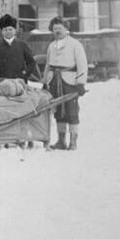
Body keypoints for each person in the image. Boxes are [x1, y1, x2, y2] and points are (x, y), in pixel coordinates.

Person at [42, 16, 88, 151]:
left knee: (72, 111)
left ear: (66, 29)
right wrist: (45, 82)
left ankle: (73, 142)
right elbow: (48, 65)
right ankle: (61, 141)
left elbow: (82, 64)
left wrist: (81, 83)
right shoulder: (51, 45)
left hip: (70, 81)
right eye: (55, 28)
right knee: (58, 111)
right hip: (55, 81)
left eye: (60, 28)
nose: (57, 31)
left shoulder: (75, 44)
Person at [0, 13, 38, 81]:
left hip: (19, 81)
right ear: (2, 31)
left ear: (15, 30)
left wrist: (24, 73)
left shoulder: (22, 45)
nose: (8, 32)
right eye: (5, 30)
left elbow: (31, 62)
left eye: (10, 29)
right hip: (2, 82)